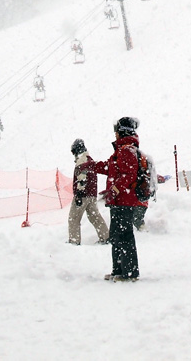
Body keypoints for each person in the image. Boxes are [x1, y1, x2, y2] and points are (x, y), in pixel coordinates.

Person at [95, 116, 146, 282]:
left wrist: (114, 191)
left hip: (124, 201)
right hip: (118, 201)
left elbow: (129, 175)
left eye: (116, 131)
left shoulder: (127, 150)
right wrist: (91, 166)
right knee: (116, 235)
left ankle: (130, 273)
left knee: (124, 236)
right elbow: (110, 168)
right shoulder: (121, 150)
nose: (114, 134)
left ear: (122, 131)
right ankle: (118, 270)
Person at [68, 138, 109, 245]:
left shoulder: (82, 161)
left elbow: (82, 177)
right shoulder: (90, 160)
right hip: (92, 195)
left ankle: (74, 241)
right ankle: (105, 237)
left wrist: (79, 194)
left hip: (83, 195)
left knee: (74, 218)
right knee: (94, 217)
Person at [132, 152, 157, 232]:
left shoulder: (136, 158)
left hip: (137, 196)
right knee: (137, 218)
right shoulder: (146, 158)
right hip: (144, 195)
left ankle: (145, 234)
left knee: (137, 219)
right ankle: (143, 232)